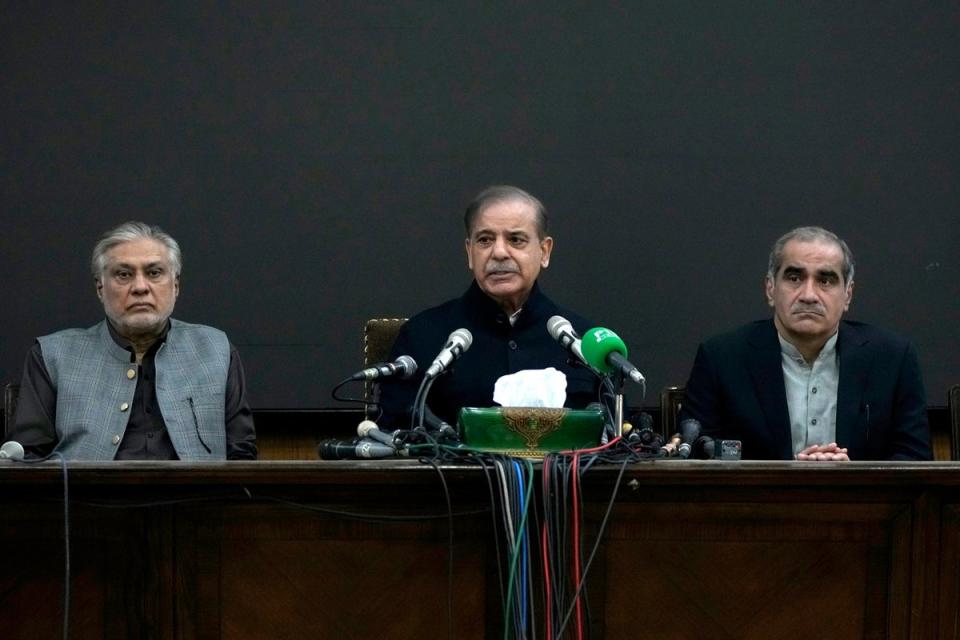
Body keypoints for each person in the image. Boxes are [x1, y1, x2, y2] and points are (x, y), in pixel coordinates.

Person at [9, 222, 258, 460]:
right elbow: (29, 458)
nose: (140, 287)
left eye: (154, 273)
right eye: (124, 274)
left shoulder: (216, 350)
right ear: (100, 289)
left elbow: (241, 454)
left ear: (176, 286)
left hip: (196, 501)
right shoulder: (51, 356)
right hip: (86, 501)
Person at [679, 226, 931, 461]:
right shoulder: (721, 358)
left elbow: (915, 459)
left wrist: (855, 477)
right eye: (794, 278)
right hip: (757, 507)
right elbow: (697, 459)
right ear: (770, 289)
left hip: (862, 507)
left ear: (848, 295)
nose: (809, 295)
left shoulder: (893, 359)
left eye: (826, 280)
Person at [378, 185, 600, 429]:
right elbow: (394, 434)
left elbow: (614, 438)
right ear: (470, 252)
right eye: (485, 240)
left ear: (544, 251)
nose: (499, 252)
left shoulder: (586, 342)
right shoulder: (422, 335)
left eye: (516, 240)